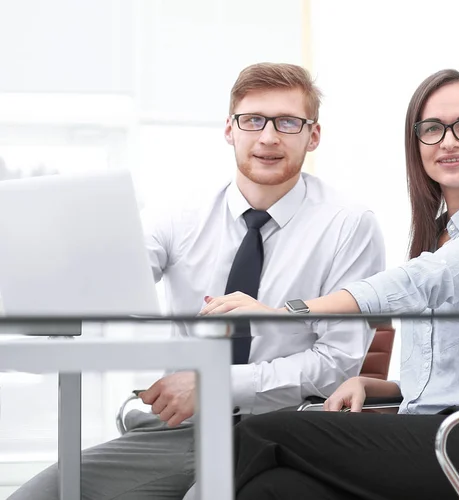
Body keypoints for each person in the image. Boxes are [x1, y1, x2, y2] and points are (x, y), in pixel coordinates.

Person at [10, 63, 386, 500]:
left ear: (313, 135)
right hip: (180, 431)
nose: (268, 137)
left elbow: (335, 365)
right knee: (41, 494)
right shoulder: (180, 213)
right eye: (253, 121)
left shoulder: (349, 225)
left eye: (287, 122)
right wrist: (48, 271)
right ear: (230, 130)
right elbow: (107, 278)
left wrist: (215, 383)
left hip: (283, 430)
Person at [203, 69, 459, 499]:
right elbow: (448, 381)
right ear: (417, 145)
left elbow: (423, 282)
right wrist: (374, 387)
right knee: (276, 487)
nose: (448, 141)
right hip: (432, 433)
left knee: (258, 434)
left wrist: (285, 311)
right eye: (432, 129)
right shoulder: (440, 236)